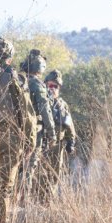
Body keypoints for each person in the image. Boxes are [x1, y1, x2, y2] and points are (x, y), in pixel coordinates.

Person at [0, 36, 37, 223]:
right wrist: (30, 142)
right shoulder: (16, 78)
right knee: (3, 188)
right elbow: (27, 114)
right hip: (9, 140)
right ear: (9, 58)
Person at [34, 69, 76, 201]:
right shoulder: (40, 102)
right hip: (41, 144)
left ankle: (46, 203)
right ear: (45, 85)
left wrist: (71, 141)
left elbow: (69, 125)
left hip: (57, 147)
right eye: (50, 85)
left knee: (53, 177)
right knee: (37, 176)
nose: (53, 89)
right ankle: (33, 204)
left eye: (56, 86)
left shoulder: (63, 105)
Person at [20, 49, 56, 197]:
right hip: (34, 131)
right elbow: (45, 110)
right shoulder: (37, 85)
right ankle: (22, 201)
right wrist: (52, 132)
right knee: (29, 167)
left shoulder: (18, 80)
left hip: (17, 129)